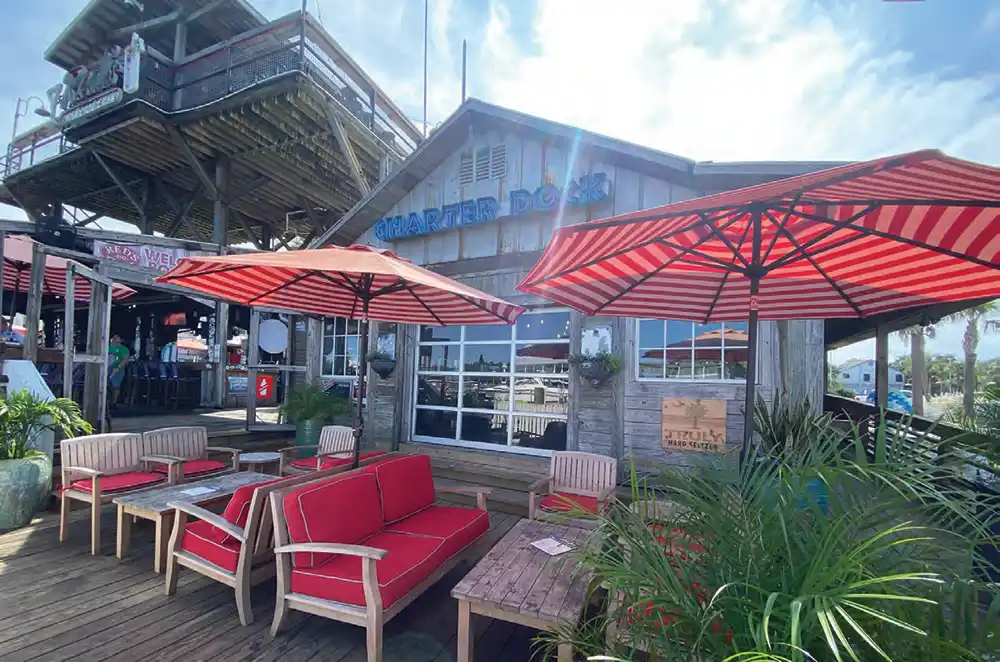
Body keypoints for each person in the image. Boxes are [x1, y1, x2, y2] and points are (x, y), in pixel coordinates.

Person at [107, 334, 130, 409]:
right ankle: (107, 401)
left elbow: (125, 359)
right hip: (106, 368)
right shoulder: (107, 347)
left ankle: (113, 402)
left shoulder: (124, 349)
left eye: (117, 338)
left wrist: (119, 367)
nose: (115, 339)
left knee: (115, 386)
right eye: (114, 338)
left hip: (117, 369)